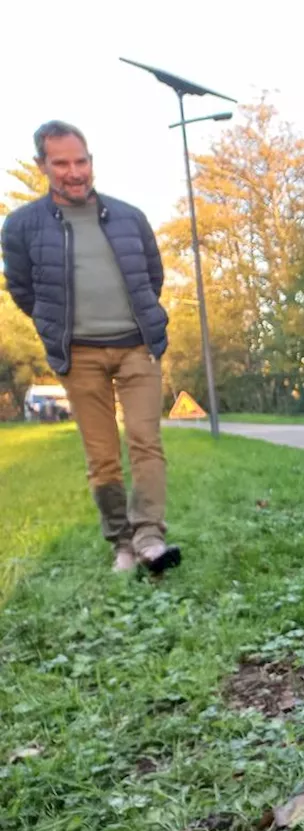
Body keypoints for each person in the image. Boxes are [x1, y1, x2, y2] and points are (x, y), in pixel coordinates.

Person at [1, 121, 181, 574]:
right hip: (78, 355)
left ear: (91, 162)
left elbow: (152, 278)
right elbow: (23, 289)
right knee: (101, 454)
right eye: (61, 163)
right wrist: (56, 326)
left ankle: (149, 536)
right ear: (43, 166)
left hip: (137, 346)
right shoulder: (21, 226)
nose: (74, 171)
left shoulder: (129, 216)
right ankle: (121, 541)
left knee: (146, 441)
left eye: (81, 161)